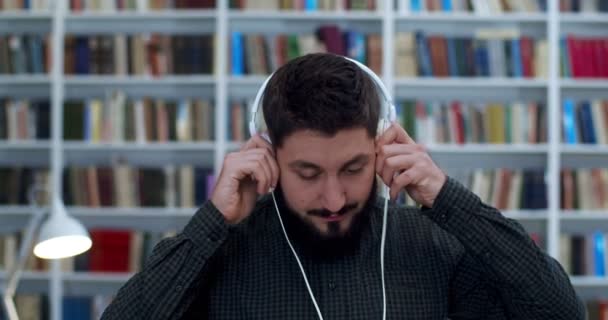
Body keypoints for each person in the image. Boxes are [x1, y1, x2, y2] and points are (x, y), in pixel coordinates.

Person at [101, 53, 584, 319]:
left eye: (352, 169)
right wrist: (212, 224)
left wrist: (447, 199)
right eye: (308, 174)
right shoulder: (224, 253)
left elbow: (559, 312)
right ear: (267, 156)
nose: (333, 200)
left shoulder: (432, 245)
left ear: (381, 147)